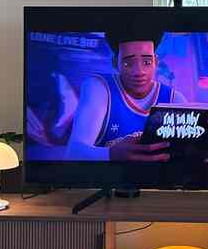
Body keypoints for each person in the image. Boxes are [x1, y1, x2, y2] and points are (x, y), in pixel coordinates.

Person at [65, 31, 186, 161]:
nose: (139, 72)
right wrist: (111, 155)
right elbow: (73, 152)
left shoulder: (175, 99)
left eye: (147, 62)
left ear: (156, 61)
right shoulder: (99, 87)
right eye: (128, 63)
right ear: (115, 63)